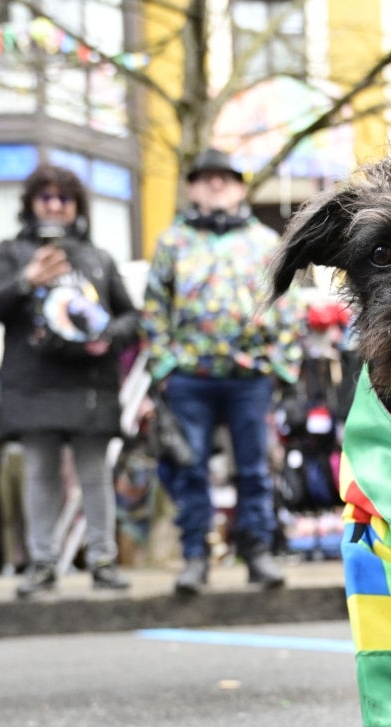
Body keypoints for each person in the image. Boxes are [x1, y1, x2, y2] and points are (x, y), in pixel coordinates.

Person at [143, 148, 303, 596]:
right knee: (190, 468)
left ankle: (257, 553)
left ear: (240, 187)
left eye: (226, 178)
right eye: (206, 177)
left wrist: (283, 367)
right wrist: (164, 364)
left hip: (249, 376)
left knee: (253, 468)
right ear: (192, 186)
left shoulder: (264, 241)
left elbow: (286, 304)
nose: (217, 184)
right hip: (190, 375)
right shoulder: (172, 241)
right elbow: (154, 307)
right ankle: (195, 556)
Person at [0, 164, 141, 599]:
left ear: (76, 206)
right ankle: (43, 563)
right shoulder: (10, 253)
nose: (53, 205)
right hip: (33, 383)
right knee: (40, 473)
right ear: (30, 204)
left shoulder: (98, 256)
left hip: (89, 381)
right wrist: (26, 280)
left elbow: (131, 317)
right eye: (44, 197)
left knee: (94, 473)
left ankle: (103, 560)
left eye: (63, 198)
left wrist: (107, 338)